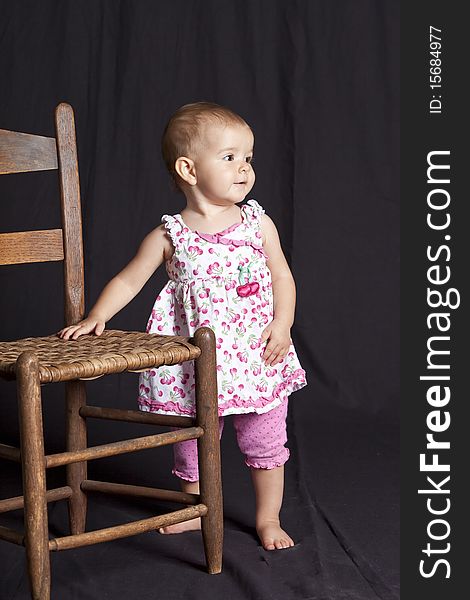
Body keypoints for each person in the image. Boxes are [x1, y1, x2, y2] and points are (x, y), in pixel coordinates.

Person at [58, 102, 307, 551]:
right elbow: (129, 278)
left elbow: (282, 276)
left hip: (256, 355)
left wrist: (283, 324)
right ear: (189, 169)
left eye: (248, 158)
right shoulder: (170, 235)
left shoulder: (258, 223)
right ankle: (194, 509)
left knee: (265, 437)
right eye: (230, 157)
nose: (244, 168)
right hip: (196, 360)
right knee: (191, 439)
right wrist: (97, 316)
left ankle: (268, 518)